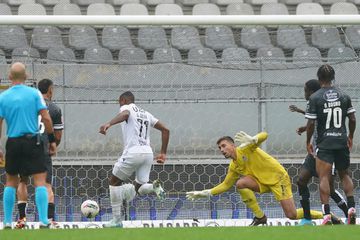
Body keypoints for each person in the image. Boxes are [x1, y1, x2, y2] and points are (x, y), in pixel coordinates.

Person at [186, 131, 326, 222]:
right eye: (220, 148)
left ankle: (326, 216)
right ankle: (260, 216)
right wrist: (206, 193)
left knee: (292, 215)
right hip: (262, 183)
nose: (222, 150)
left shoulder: (246, 148)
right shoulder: (233, 166)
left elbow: (265, 135)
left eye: (224, 146)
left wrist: (253, 139)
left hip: (278, 179)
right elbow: (226, 185)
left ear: (233, 145)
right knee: (240, 183)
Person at [99, 91, 170, 228]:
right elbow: (166, 130)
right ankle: (154, 187)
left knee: (114, 181)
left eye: (120, 102)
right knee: (140, 187)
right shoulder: (146, 113)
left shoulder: (127, 108)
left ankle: (116, 220)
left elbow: (125, 114)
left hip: (133, 152)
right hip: (147, 153)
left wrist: (109, 123)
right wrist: (163, 153)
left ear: (123, 100)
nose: (119, 105)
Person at [0, 62, 57, 229]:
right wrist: (52, 140)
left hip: (13, 142)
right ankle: (44, 220)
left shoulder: (3, 97)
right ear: (25, 77)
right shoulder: (34, 94)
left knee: (11, 181)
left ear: (9, 77)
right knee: (40, 181)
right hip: (33, 141)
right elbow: (46, 118)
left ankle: (7, 221)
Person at [290, 79, 348, 225]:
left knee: (331, 190)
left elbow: (318, 119)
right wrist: (305, 126)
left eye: (305, 90)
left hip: (326, 152)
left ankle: (349, 214)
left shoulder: (320, 101)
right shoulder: (314, 102)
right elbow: (314, 120)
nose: (304, 93)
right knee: (301, 180)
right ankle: (307, 219)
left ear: (311, 91)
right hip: (314, 154)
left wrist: (300, 114)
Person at [305, 64, 356, 225]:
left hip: (325, 143)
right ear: (333, 78)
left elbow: (311, 123)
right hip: (341, 141)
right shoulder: (344, 95)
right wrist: (350, 136)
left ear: (319, 79)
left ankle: (326, 214)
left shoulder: (315, 98)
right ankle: (351, 208)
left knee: (324, 177)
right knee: (345, 175)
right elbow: (353, 119)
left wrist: (308, 141)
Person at [15, 79, 63, 229]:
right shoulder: (54, 109)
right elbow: (58, 136)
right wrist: (52, 145)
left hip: (23, 146)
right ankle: (48, 220)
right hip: (42, 147)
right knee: (45, 184)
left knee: (22, 181)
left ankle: (22, 219)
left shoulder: (26, 106)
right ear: (50, 90)